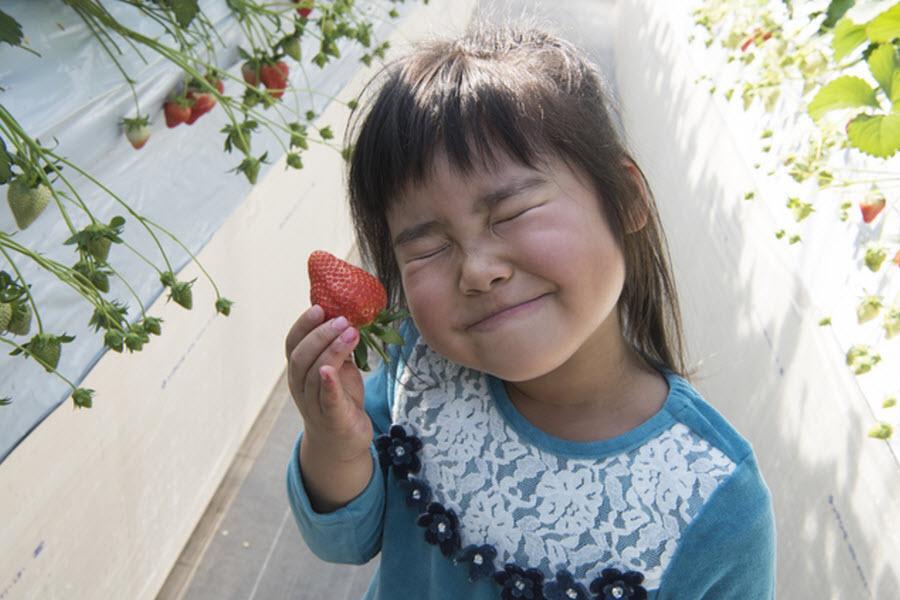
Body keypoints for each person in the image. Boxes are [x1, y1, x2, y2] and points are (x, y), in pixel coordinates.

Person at [283, 20, 776, 600]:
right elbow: (345, 540)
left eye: (511, 212)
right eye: (427, 246)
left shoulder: (716, 505)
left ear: (627, 199)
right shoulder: (418, 364)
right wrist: (333, 440)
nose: (476, 269)